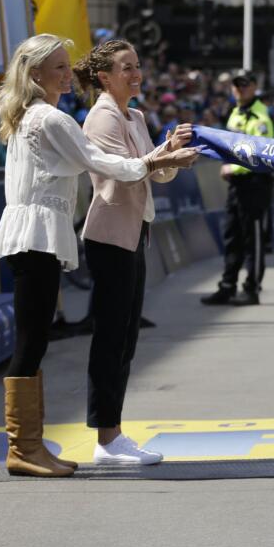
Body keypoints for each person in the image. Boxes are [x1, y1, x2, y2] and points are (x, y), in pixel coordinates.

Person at [0, 34, 198, 476]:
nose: (71, 75)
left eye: (69, 67)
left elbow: (129, 166)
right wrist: (164, 157)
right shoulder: (50, 118)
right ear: (34, 75)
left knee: (38, 339)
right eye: (60, 69)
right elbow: (108, 164)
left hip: (36, 233)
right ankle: (27, 448)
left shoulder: (33, 116)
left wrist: (161, 156)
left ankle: (29, 446)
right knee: (36, 341)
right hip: (41, 234)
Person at [74, 40, 193, 465]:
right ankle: (107, 437)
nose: (136, 73)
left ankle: (114, 434)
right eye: (126, 67)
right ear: (104, 77)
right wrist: (167, 154)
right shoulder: (100, 118)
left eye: (138, 65)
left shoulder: (136, 115)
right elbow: (126, 172)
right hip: (109, 236)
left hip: (134, 232)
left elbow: (154, 174)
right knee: (110, 338)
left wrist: (170, 150)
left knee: (125, 339)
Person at [201, 70, 274, 306]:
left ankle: (252, 288)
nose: (239, 89)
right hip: (236, 186)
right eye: (236, 85)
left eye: (244, 85)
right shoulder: (235, 114)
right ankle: (228, 285)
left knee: (252, 238)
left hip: (254, 184)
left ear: (254, 86)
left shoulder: (260, 119)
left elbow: (261, 156)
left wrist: (234, 169)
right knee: (231, 235)